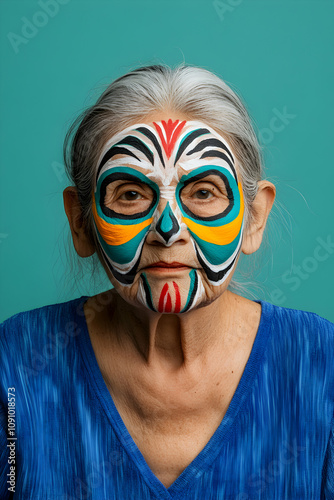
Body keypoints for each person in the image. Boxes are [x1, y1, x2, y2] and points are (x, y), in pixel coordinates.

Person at [0, 64, 333, 499]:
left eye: (203, 192)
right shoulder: (17, 365)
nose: (169, 229)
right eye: (131, 194)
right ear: (81, 223)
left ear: (254, 219)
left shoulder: (321, 366)